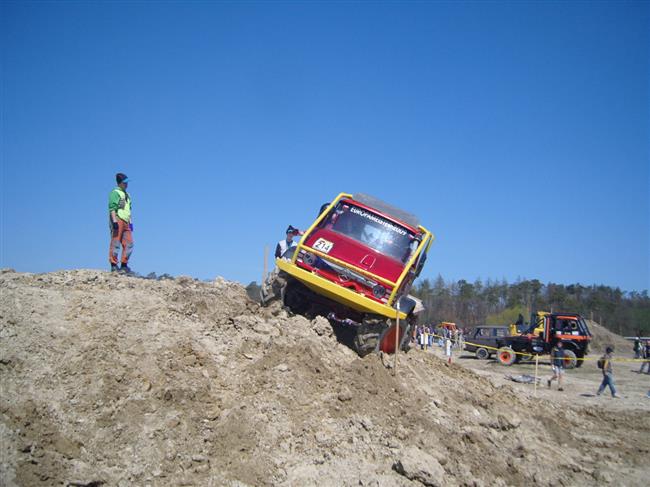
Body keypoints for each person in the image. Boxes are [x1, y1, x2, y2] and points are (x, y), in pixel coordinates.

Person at [108, 173, 134, 273]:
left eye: (127, 182)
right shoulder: (115, 193)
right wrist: (114, 221)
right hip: (118, 219)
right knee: (116, 242)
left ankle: (124, 265)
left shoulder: (127, 195)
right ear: (120, 183)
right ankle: (113, 264)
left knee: (129, 243)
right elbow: (112, 208)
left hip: (126, 221)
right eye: (124, 183)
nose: (126, 184)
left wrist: (131, 223)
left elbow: (128, 209)